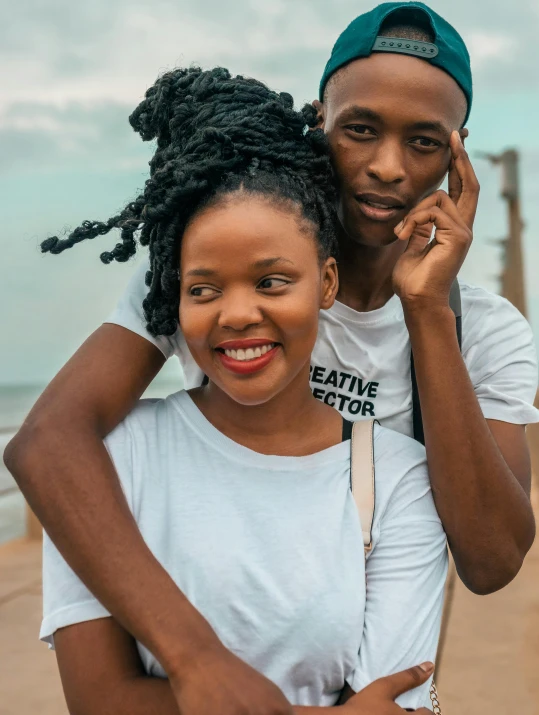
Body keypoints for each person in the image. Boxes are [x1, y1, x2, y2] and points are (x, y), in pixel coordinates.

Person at [4, 2, 539, 713]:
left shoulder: (486, 332)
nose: (387, 166)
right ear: (320, 121)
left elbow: (491, 560)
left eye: (423, 142)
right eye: (359, 129)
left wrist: (427, 311)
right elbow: (48, 441)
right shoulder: (218, 265)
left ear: (457, 154)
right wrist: (195, 657)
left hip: (376, 660)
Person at [40, 66, 446, 714]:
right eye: (204, 289)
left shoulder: (396, 478)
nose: (236, 314)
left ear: (327, 282)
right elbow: (97, 700)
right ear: (173, 299)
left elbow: (399, 702)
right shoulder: (111, 459)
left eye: (272, 281)